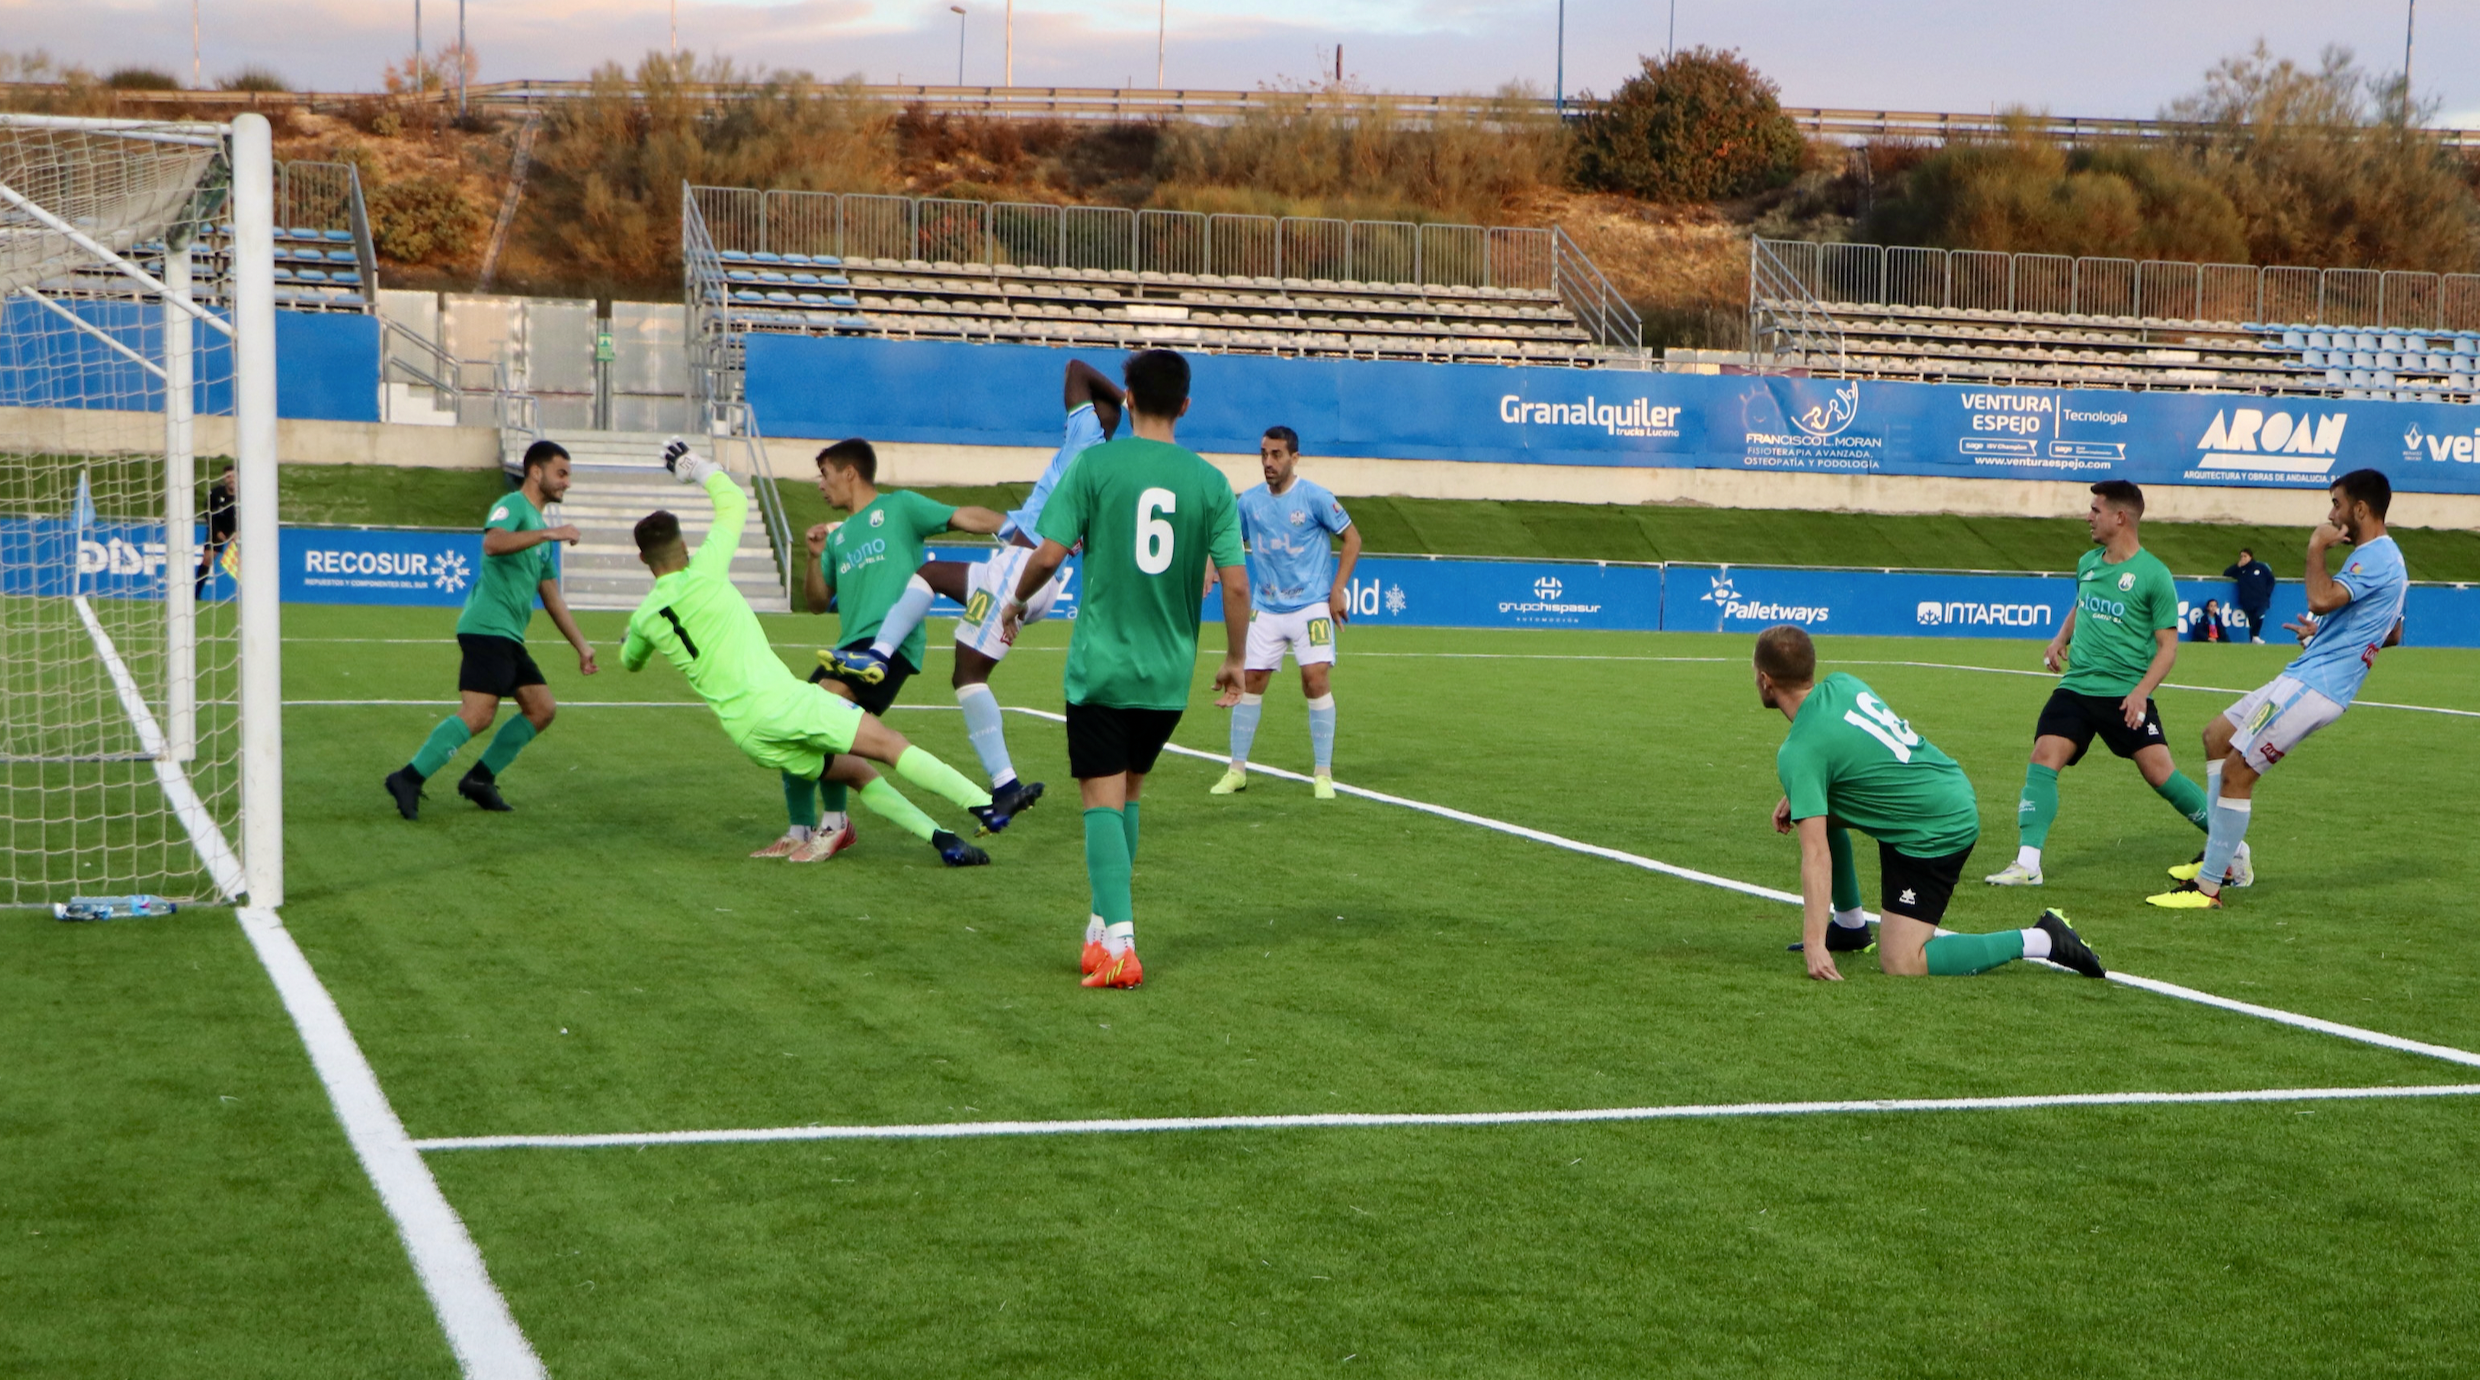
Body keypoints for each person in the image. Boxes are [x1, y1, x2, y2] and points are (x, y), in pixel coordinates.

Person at [621, 440, 1004, 868]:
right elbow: (730, 500)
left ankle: (941, 838)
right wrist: (695, 467)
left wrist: (632, 638)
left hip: (747, 734)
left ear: (642, 559)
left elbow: (630, 661)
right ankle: (985, 803)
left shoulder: (644, 619)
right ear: (686, 548)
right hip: (784, 704)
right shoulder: (707, 568)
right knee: (888, 745)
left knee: (854, 770)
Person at [1003, 349, 1249, 988]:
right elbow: (1237, 586)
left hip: (1103, 667)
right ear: (1186, 406)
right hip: (1167, 676)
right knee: (1127, 793)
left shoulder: (1094, 464)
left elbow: (1048, 553)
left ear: (1130, 398)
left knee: (1099, 800)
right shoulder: (1212, 482)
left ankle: (1120, 943)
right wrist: (1236, 659)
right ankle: (1099, 924)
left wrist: (1015, 600)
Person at [822, 360, 1123, 813]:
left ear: (1095, 421)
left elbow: (1075, 369)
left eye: (1080, 413)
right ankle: (879, 655)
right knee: (932, 574)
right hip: (1035, 570)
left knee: (968, 675)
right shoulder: (1111, 476)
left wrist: (1123, 399)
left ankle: (1004, 787)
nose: (1071, 416)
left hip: (1023, 566)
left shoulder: (1087, 439)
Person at [1755, 624, 2105, 982]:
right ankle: (1850, 926)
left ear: (1766, 680)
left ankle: (2043, 939)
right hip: (1943, 787)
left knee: (1903, 962)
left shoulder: (1798, 750)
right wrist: (1802, 793)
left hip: (1934, 827)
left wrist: (1813, 943)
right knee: (1814, 812)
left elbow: (1816, 855)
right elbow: (1856, 751)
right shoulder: (1842, 683)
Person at [2148, 470, 2408, 910]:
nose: (2332, 514)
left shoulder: (2377, 556)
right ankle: (2226, 861)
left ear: (2360, 510)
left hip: (2315, 685)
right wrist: (2323, 631)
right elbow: (2393, 632)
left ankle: (2209, 888)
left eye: (2337, 504)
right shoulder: (2389, 559)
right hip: (2309, 673)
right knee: (2216, 735)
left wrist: (2314, 547)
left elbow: (2321, 598)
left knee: (2237, 772)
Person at [769, 439, 1015, 862]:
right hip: (850, 650)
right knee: (796, 727)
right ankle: (801, 829)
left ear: (850, 472)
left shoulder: (899, 508)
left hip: (889, 647)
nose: (820, 486)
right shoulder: (839, 537)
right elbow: (815, 603)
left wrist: (1017, 529)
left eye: (824, 475)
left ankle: (833, 824)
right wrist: (814, 558)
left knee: (815, 717)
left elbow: (961, 516)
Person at [1984, 480, 2212, 887]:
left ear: (2120, 517)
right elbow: (2081, 604)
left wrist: (2141, 692)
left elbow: (2167, 649)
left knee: (2161, 774)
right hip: (2076, 688)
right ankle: (2028, 863)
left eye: (2096, 510)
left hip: (2124, 693)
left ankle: (2234, 849)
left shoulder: (2153, 575)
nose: (2088, 516)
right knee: (2043, 757)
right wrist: (2059, 638)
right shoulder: (2087, 562)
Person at [383, 440, 595, 820]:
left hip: (508, 635)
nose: (567, 483)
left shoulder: (542, 529)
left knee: (542, 708)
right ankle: (408, 778)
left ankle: (480, 779)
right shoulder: (514, 506)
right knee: (479, 713)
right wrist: (549, 534)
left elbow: (550, 596)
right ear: (536, 471)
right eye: (561, 473)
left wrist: (581, 646)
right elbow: (493, 543)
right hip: (486, 627)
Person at [1210, 425, 1362, 800]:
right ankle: (1236, 770)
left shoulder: (1314, 498)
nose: (1268, 462)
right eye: (1263, 454)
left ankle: (1323, 773)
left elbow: (1352, 538)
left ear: (1294, 458)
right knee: (1250, 680)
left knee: (1314, 678)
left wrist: (1337, 588)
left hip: (1310, 605)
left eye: (1276, 455)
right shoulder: (1249, 503)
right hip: (1267, 606)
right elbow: (1228, 542)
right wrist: (1211, 568)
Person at [195, 462, 235, 596]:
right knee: (208, 558)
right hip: (217, 528)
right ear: (225, 479)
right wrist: (217, 531)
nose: (231, 479)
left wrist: (239, 531)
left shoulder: (245, 495)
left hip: (237, 530)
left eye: (233, 476)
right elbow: (208, 512)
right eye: (228, 477)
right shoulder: (216, 493)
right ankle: (196, 594)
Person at [2224, 546, 2276, 644]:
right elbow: (2226, 573)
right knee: (2252, 621)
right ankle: (2253, 639)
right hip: (2247, 600)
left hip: (2261, 599)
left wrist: (2267, 593)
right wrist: (2237, 566)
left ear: (2250, 557)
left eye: (2245, 556)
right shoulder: (2240, 571)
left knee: (2259, 615)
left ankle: (2255, 636)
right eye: (2241, 556)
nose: (2243, 558)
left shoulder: (2261, 567)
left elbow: (2271, 580)